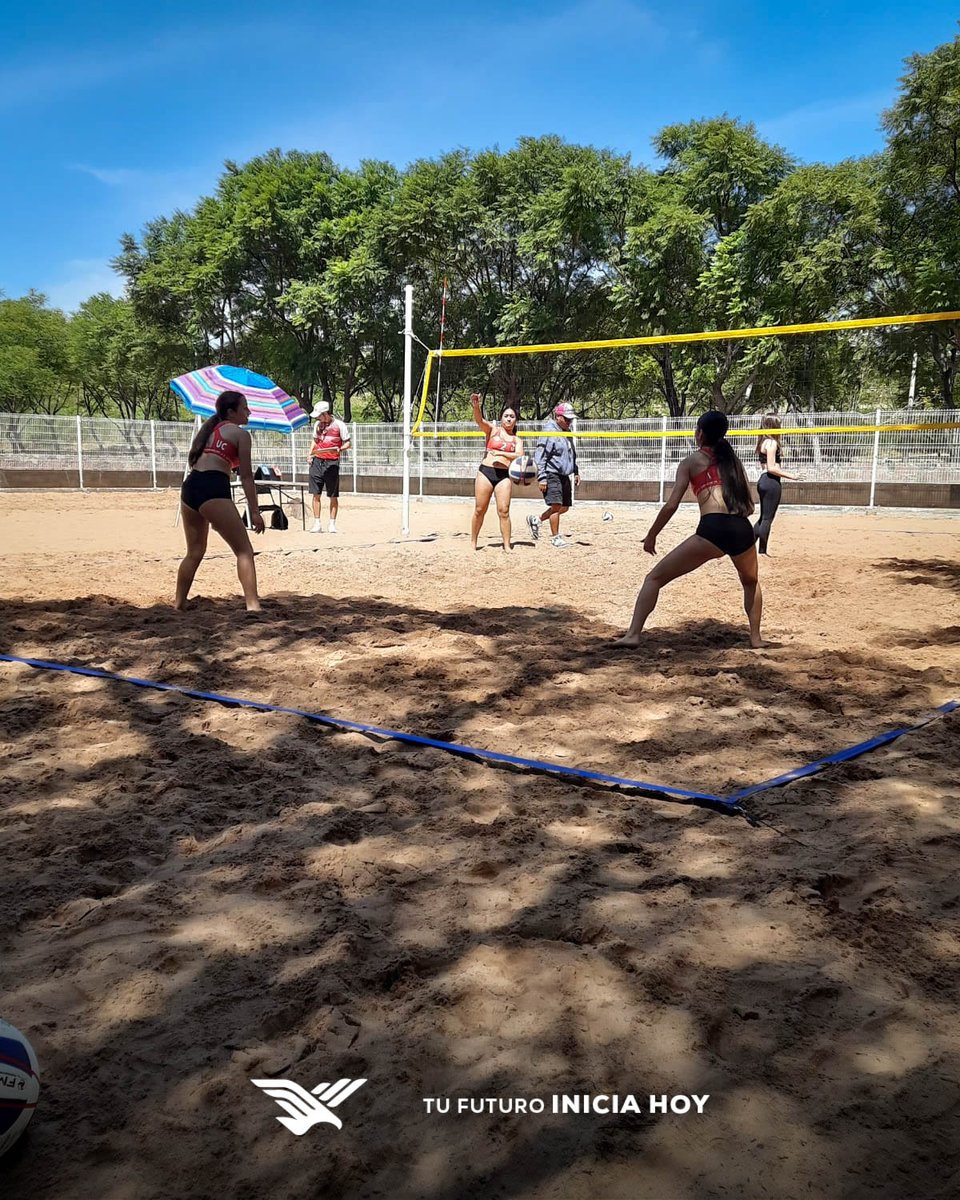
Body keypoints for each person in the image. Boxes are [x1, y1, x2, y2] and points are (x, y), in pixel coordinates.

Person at [613, 409, 763, 649]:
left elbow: (672, 504)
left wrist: (652, 535)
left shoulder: (691, 461)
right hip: (742, 528)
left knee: (654, 578)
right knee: (750, 581)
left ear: (700, 434)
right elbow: (750, 505)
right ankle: (755, 638)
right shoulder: (733, 461)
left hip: (713, 528)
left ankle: (633, 634)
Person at [176, 389, 264, 614]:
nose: (249, 412)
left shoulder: (208, 431)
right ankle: (253, 605)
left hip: (190, 487)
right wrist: (254, 511)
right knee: (244, 550)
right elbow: (246, 476)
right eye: (245, 408)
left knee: (194, 552)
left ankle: (179, 604)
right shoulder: (241, 434)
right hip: (212, 487)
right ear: (231, 411)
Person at [470, 392, 524, 551]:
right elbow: (479, 420)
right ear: (501, 418)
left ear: (515, 421)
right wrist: (476, 406)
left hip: (504, 476)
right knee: (480, 509)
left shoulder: (517, 440)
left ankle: (507, 545)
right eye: (506, 415)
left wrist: (501, 453)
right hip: (486, 472)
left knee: (504, 511)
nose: (508, 418)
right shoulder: (493, 430)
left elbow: (519, 455)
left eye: (512, 416)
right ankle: (473, 541)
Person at [527, 402, 581, 548]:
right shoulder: (549, 432)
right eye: (567, 419)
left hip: (564, 475)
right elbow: (540, 457)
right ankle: (555, 537)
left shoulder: (566, 431)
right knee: (556, 506)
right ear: (558, 417)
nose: (569, 422)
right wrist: (542, 478)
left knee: (564, 507)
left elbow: (571, 453)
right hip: (551, 474)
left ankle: (536, 520)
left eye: (571, 419)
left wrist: (575, 470)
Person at [754, 414, 801, 555]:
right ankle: (762, 552)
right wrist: (792, 476)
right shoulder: (771, 443)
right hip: (771, 481)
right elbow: (772, 468)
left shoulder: (763, 441)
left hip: (763, 481)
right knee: (767, 518)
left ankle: (746, 546)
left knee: (763, 518)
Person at [308, 401, 351, 533]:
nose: (317, 418)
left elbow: (348, 443)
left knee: (333, 494)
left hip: (332, 462)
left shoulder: (339, 425)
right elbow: (315, 441)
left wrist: (339, 449)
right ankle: (317, 523)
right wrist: (310, 454)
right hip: (317, 460)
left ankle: (332, 523)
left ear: (325, 414)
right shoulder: (317, 425)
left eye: (319, 415)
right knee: (316, 493)